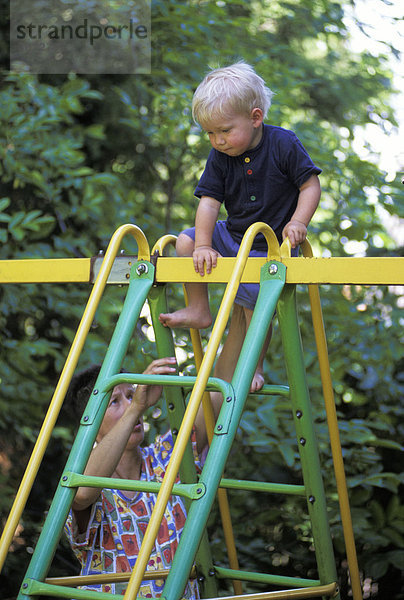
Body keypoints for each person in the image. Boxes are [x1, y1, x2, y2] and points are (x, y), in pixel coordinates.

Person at [159, 62, 321, 392]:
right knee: (185, 243)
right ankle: (199, 307)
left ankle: (255, 365)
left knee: (252, 309)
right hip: (233, 235)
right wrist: (204, 244)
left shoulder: (283, 144)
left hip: (268, 247)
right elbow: (208, 202)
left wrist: (298, 222)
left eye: (225, 130)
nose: (217, 140)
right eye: (210, 133)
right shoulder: (220, 155)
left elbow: (310, 185)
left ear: (255, 117)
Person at [64, 356, 218, 597]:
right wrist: (136, 407)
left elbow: (219, 391)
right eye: (115, 401)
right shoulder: (86, 479)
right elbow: (82, 494)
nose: (130, 404)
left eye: (131, 394)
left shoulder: (166, 458)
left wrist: (244, 319)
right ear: (91, 425)